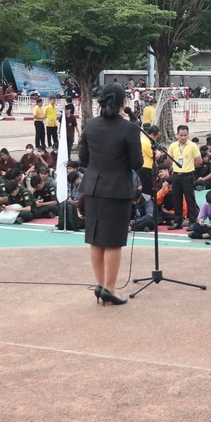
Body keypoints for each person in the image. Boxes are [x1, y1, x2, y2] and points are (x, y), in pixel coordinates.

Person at [77, 83, 143, 306]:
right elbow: (136, 162)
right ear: (123, 102)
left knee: (96, 239)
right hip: (117, 189)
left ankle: (100, 284)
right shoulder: (129, 128)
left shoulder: (90, 125)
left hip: (93, 188)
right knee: (113, 241)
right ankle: (110, 288)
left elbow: (83, 159)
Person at [167, 124, 202, 230]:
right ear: (177, 134)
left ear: (188, 134)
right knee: (176, 199)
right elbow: (169, 160)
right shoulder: (173, 145)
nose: (183, 137)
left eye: (185, 135)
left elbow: (199, 161)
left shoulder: (193, 146)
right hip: (176, 175)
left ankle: (192, 222)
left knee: (190, 199)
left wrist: (189, 167)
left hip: (188, 175)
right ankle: (178, 221)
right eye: (181, 135)